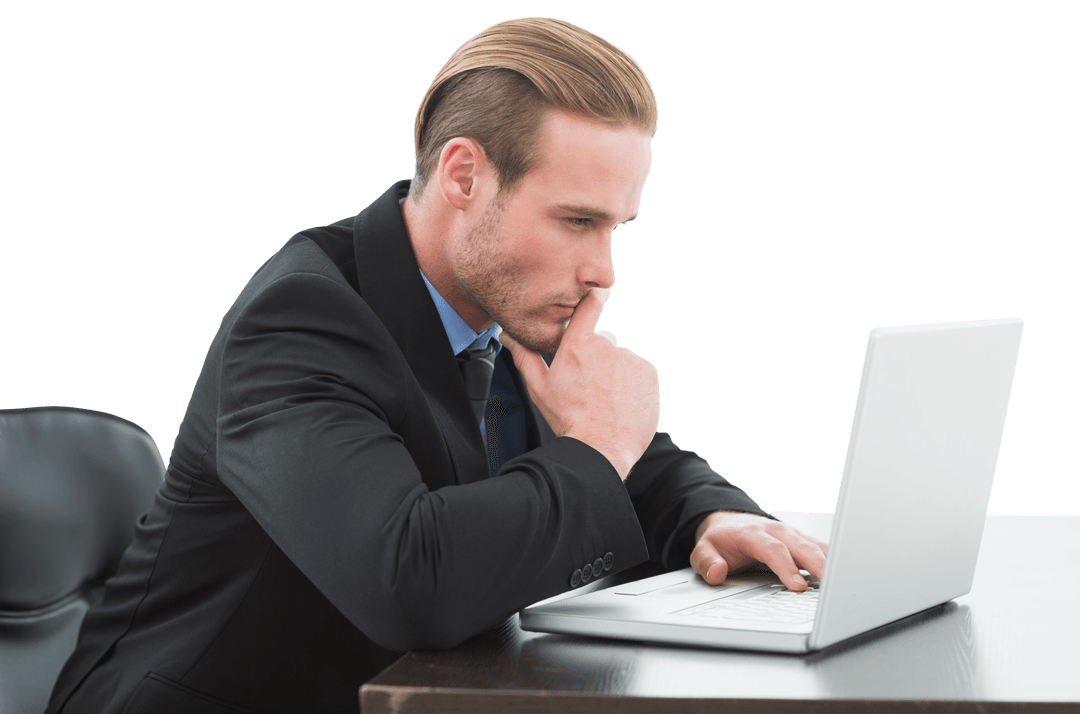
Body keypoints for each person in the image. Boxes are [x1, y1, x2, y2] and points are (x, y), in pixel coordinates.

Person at [46, 16, 827, 714]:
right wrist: (597, 451)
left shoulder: (503, 302)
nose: (604, 270)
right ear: (464, 175)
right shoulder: (299, 323)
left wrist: (714, 516)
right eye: (578, 221)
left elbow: (629, 457)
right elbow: (408, 580)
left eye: (617, 227)